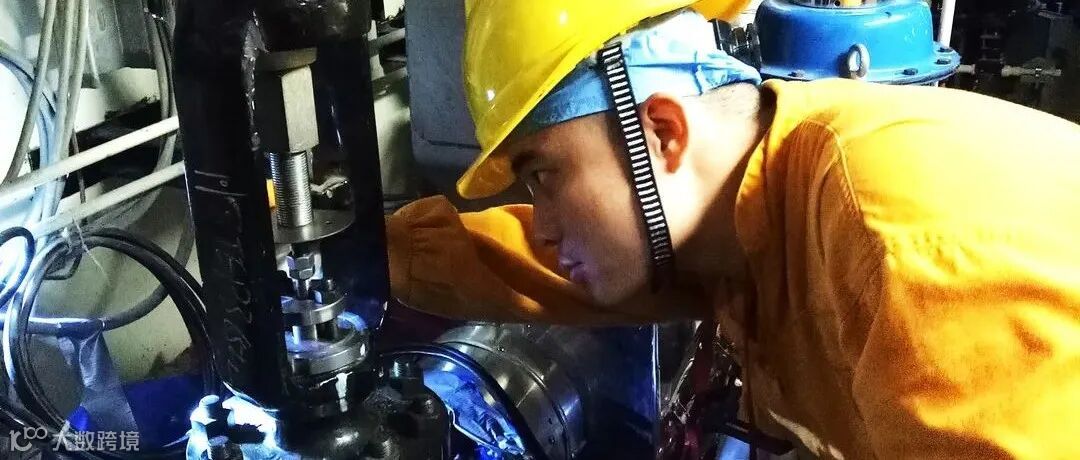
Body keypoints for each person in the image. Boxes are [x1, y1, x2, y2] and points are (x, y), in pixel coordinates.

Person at [383, 0, 1080, 458]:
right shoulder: (748, 220)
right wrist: (361, 252)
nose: (544, 226)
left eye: (545, 176)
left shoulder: (889, 243)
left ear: (661, 131)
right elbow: (521, 261)